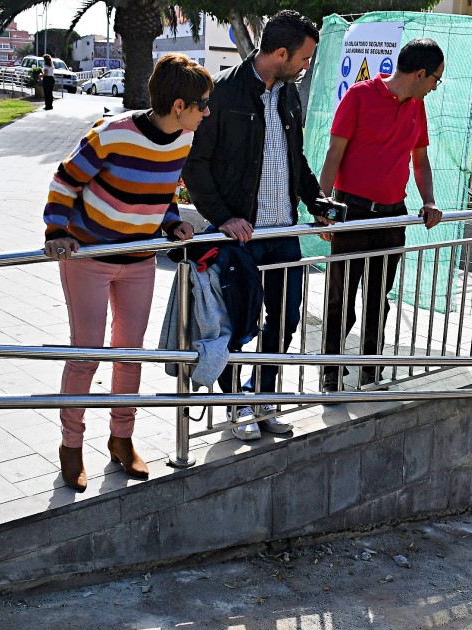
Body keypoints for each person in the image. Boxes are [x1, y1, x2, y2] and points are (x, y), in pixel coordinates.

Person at [43, 53, 208, 490]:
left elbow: (163, 190)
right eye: (201, 104)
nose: (206, 112)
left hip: (138, 261)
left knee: (130, 352)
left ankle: (121, 439)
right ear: (178, 106)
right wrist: (57, 230)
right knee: (87, 353)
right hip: (90, 258)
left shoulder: (183, 140)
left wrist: (171, 221)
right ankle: (71, 446)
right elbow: (64, 181)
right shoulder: (112, 133)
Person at [182, 10, 326, 441]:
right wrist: (224, 218)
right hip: (239, 238)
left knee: (284, 322)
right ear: (281, 53)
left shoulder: (288, 94)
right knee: (238, 326)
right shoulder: (222, 94)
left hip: (283, 235)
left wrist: (316, 202)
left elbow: (294, 159)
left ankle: (261, 397)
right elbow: (196, 165)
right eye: (303, 58)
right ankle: (236, 407)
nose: (306, 66)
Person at [317, 39, 445, 393]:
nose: (435, 86)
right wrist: (324, 209)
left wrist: (430, 200)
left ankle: (371, 369)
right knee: (340, 296)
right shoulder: (359, 96)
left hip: (392, 217)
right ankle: (330, 371)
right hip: (351, 212)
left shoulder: (416, 107)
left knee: (378, 298)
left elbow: (420, 160)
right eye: (435, 79)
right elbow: (333, 155)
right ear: (420, 73)